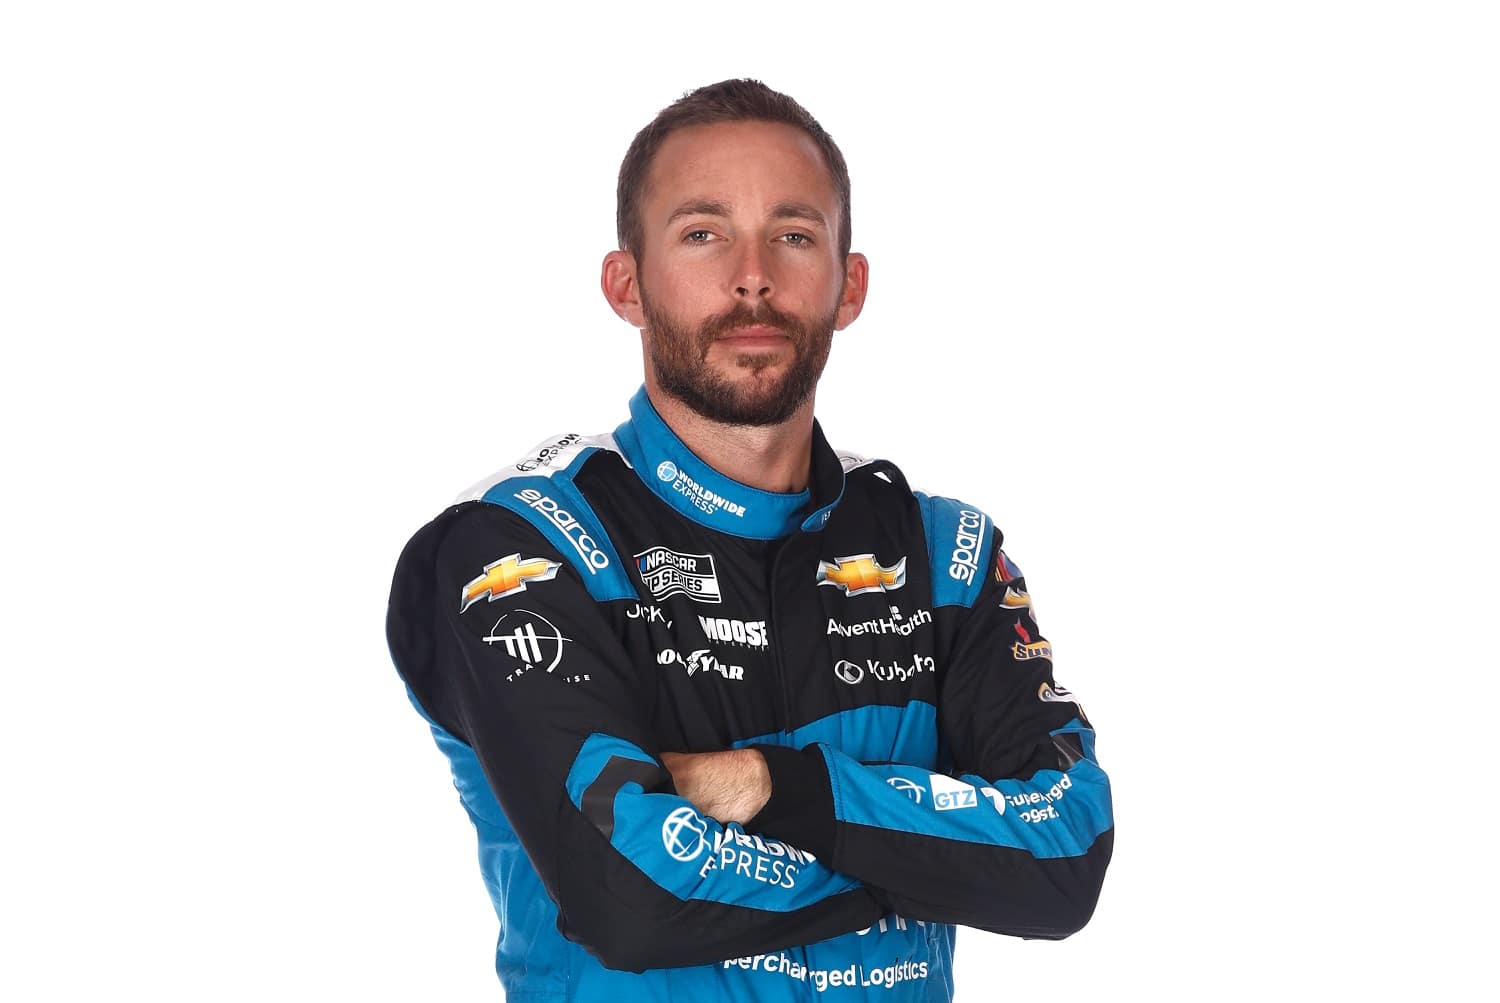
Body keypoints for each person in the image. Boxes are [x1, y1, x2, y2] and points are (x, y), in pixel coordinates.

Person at [386, 78, 1113, 1001]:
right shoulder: (515, 548)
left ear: (848, 286)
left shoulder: (946, 553)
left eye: (794, 235)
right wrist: (937, 858)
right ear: (626, 284)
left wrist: (777, 788)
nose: (752, 274)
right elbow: (633, 895)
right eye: (702, 233)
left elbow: (1069, 853)